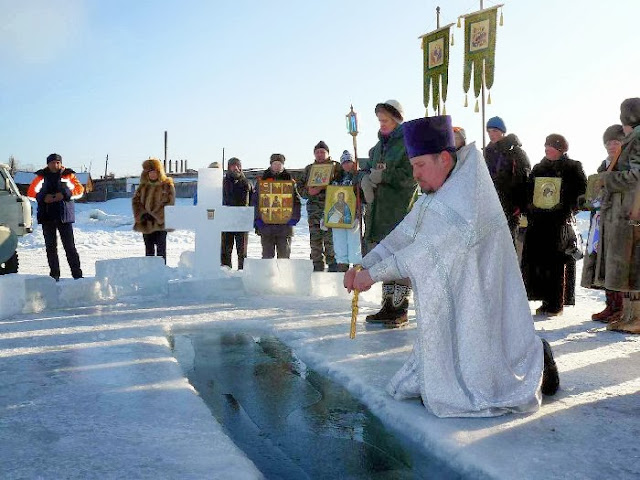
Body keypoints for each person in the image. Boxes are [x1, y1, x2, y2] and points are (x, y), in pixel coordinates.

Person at [344, 115, 558, 418]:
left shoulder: (464, 196)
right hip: (457, 291)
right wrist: (364, 263)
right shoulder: (436, 193)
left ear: (444, 158)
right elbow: (404, 234)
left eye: (419, 165)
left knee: (478, 377)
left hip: (478, 293)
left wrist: (372, 275)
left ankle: (538, 359)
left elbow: (424, 253)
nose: (415, 173)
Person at [360, 100, 419, 327]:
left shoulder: (407, 144)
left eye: (385, 120)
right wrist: (364, 178)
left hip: (399, 211)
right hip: (379, 212)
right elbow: (367, 169)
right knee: (385, 259)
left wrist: (384, 177)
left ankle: (400, 308)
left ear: (396, 119)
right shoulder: (378, 147)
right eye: (379, 120)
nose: (381, 124)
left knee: (399, 260)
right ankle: (387, 306)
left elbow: (411, 177)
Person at [521, 134, 587, 316]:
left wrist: (566, 206)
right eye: (546, 146)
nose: (547, 149)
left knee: (557, 262)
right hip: (538, 221)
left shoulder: (573, 167)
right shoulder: (538, 168)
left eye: (551, 146)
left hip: (559, 222)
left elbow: (581, 193)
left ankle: (556, 302)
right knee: (539, 262)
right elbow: (529, 190)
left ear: (561, 149)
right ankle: (544, 299)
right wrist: (530, 206)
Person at [600, 98, 640, 334]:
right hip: (627, 210)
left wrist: (609, 179)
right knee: (627, 266)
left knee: (633, 265)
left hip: (632, 210)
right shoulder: (632, 138)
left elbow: (637, 174)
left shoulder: (637, 139)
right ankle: (628, 314)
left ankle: (636, 318)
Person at [580, 125, 625, 322]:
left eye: (615, 142)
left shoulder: (625, 164)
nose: (611, 146)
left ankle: (621, 308)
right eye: (608, 143)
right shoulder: (604, 164)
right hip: (603, 219)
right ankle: (611, 305)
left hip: (620, 218)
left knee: (618, 263)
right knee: (605, 262)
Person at [27, 153, 84, 280]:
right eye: (53, 162)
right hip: (47, 216)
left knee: (70, 247)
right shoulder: (41, 176)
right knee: (51, 248)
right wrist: (42, 197)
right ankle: (54, 276)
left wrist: (65, 194)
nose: (56, 165)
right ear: (48, 164)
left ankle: (77, 275)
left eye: (58, 162)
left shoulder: (68, 175)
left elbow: (80, 190)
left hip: (64, 216)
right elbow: (30, 192)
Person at [484, 116, 531, 240]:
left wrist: (519, 206)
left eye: (495, 131)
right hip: (490, 207)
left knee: (508, 245)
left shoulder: (516, 153)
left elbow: (525, 180)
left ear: (502, 131)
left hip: (511, 209)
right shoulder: (486, 154)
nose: (491, 134)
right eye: (489, 131)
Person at [299, 141, 341, 272]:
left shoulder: (336, 167)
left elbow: (344, 183)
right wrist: (309, 192)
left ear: (328, 153)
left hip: (333, 209)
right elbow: (300, 187)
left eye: (322, 152)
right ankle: (317, 265)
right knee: (315, 239)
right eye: (317, 152)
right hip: (314, 210)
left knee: (332, 239)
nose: (320, 154)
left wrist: (327, 187)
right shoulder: (309, 169)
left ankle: (333, 264)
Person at [253, 154, 301, 259]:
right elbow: (256, 201)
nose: (277, 166)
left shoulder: (290, 181)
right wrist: (257, 219)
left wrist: (293, 218)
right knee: (267, 256)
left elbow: (296, 202)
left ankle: (283, 275)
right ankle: (267, 275)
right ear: (271, 164)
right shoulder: (262, 180)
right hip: (266, 226)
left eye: (280, 164)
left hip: (284, 227)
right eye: (275, 163)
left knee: (284, 255)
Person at [132, 158, 176, 263]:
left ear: (159, 172)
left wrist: (156, 215)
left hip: (161, 224)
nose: (152, 175)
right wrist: (142, 214)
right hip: (146, 223)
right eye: (149, 172)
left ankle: (161, 273)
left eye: (154, 172)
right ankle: (150, 273)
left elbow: (170, 203)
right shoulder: (142, 187)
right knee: (149, 251)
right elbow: (136, 202)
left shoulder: (167, 186)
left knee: (161, 251)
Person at [328, 150, 362, 272]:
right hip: (338, 216)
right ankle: (342, 268)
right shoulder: (336, 180)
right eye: (344, 162)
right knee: (339, 244)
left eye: (349, 162)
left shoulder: (359, 177)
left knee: (354, 243)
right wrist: (326, 216)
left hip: (353, 214)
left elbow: (361, 197)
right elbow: (331, 199)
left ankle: (356, 269)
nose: (347, 165)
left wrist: (359, 213)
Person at [221, 157, 253, 270]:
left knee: (242, 252)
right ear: (228, 167)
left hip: (242, 222)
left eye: (238, 166)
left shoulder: (247, 183)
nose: (236, 168)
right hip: (226, 222)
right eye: (233, 166)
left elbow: (253, 202)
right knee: (225, 251)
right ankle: (225, 274)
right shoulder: (222, 183)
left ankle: (242, 274)